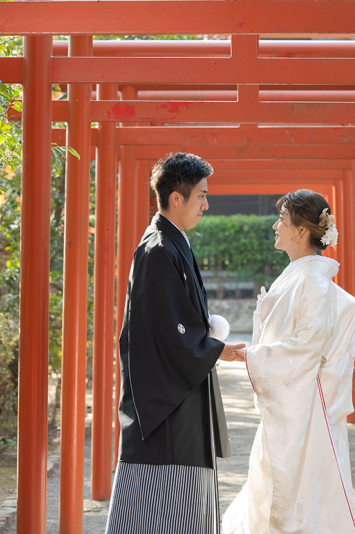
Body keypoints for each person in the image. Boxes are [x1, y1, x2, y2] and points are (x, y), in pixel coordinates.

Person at [105, 152, 245, 534]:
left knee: (175, 505)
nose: (206, 203)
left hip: (175, 395)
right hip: (164, 408)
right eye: (200, 195)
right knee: (162, 505)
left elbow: (178, 325)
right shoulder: (158, 249)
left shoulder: (169, 242)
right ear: (176, 198)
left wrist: (214, 348)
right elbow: (170, 333)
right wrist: (212, 348)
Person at [222, 190, 355, 534]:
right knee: (282, 487)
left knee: (303, 497)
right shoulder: (303, 276)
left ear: (301, 231)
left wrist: (252, 356)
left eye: (282, 221)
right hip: (294, 404)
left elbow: (307, 348)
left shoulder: (312, 281)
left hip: (307, 409)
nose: (275, 226)